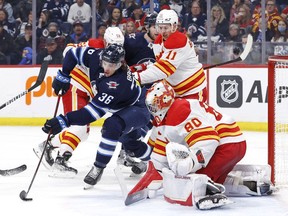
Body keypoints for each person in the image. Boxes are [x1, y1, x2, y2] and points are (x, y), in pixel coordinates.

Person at [127, 81, 273, 210]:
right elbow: (158, 160)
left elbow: (209, 139)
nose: (152, 110)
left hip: (225, 146)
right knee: (207, 180)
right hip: (233, 144)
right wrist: (143, 185)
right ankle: (247, 184)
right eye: (150, 106)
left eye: (154, 105)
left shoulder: (177, 111)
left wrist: (189, 163)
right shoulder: (168, 116)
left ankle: (209, 193)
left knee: (192, 184)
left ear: (164, 101)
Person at [34, 27, 143, 177]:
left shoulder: (117, 59)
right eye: (112, 45)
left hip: (89, 92)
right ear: (105, 42)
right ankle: (61, 159)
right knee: (80, 128)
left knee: (85, 131)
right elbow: (69, 51)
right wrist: (64, 75)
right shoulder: (95, 48)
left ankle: (48, 145)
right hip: (76, 86)